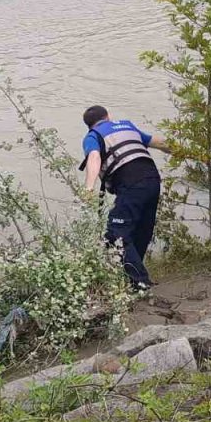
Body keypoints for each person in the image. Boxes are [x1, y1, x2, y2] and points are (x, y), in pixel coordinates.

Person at [79, 105, 170, 292]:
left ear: (88, 125)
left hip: (131, 183)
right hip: (153, 180)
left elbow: (94, 158)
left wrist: (89, 188)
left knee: (115, 234)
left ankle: (141, 284)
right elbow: (160, 143)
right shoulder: (127, 126)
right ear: (108, 117)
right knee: (141, 231)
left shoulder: (92, 136)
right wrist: (192, 153)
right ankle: (134, 281)